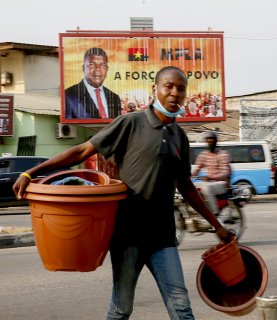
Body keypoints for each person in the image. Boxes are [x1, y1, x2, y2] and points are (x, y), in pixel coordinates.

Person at [13, 66, 234, 320]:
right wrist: (29, 173)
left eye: (180, 88)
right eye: (168, 86)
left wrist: (216, 225)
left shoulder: (179, 136)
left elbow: (185, 185)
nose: (174, 93)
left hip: (163, 237)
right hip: (128, 237)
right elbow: (82, 151)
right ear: (156, 89)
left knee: (181, 307)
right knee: (122, 308)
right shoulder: (131, 123)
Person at [65, 47, 122, 119]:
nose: (97, 69)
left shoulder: (114, 97)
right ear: (83, 68)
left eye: (102, 65)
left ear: (107, 69)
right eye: (92, 64)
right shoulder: (69, 95)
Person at [192, 131, 231, 214]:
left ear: (216, 142)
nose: (210, 144)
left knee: (207, 188)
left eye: (212, 142)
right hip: (207, 183)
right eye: (208, 142)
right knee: (190, 187)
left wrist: (211, 177)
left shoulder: (222, 154)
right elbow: (196, 170)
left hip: (222, 184)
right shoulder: (203, 155)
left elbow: (225, 172)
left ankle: (214, 213)